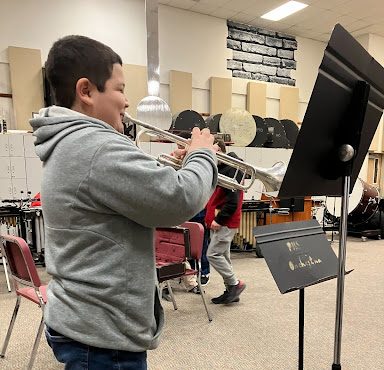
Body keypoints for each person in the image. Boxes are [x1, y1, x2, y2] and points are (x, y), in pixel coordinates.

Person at [30, 35, 218, 370]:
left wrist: (175, 166)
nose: (127, 101)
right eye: (119, 89)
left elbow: (117, 194)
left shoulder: (71, 141)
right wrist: (202, 154)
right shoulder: (97, 146)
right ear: (86, 91)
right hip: (103, 335)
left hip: (82, 318)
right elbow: (181, 199)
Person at [205, 139, 246, 304]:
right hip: (220, 222)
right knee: (223, 256)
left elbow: (233, 201)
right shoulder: (222, 169)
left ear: (221, 151)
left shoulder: (231, 170)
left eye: (213, 151)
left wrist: (219, 219)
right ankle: (231, 292)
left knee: (212, 254)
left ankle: (235, 284)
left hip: (224, 222)